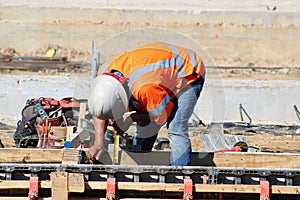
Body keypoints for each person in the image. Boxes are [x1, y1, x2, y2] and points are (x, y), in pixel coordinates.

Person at [88, 42, 205, 166]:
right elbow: (99, 107)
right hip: (158, 70)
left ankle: (180, 177)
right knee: (146, 107)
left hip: (189, 71)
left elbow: (160, 116)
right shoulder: (104, 77)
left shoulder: (145, 89)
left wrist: (131, 118)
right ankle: (142, 160)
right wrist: (98, 143)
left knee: (176, 128)